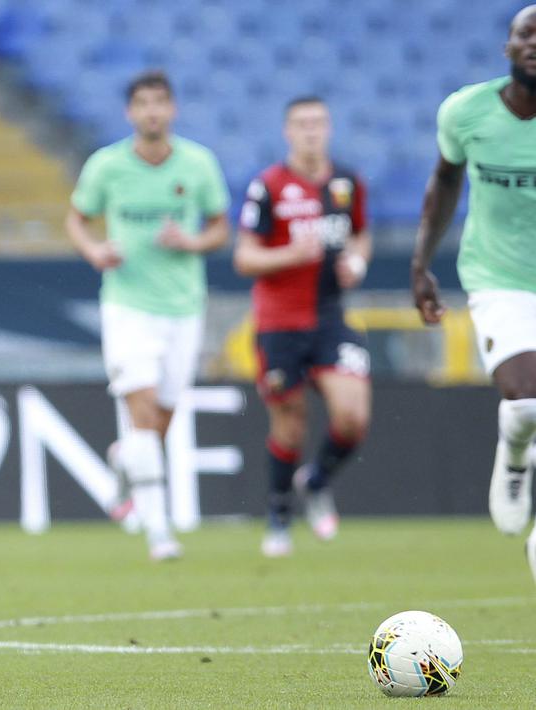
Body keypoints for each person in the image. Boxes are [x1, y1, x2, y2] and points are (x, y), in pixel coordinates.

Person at [65, 70, 230, 562]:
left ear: (172, 109)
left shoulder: (198, 163)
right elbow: (77, 218)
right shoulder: (107, 165)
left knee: (159, 421)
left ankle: (124, 461)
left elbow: (220, 227)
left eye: (160, 102)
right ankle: (159, 529)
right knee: (141, 412)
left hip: (183, 307)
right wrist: (95, 251)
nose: (152, 111)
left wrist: (192, 242)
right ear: (130, 112)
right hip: (127, 306)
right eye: (143, 103)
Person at [411, 5, 536, 579]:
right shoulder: (466, 111)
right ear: (507, 47)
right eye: (526, 33)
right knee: (526, 399)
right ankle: (514, 456)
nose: (535, 43)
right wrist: (421, 264)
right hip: (498, 276)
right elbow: (444, 180)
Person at [235, 96, 372, 558]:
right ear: (287, 131)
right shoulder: (269, 186)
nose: (311, 131)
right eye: (301, 124)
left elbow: (360, 234)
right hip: (279, 323)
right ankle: (279, 512)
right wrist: (289, 255)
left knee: (352, 417)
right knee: (290, 424)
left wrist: (357, 261)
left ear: (329, 128)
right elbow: (244, 257)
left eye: (318, 123)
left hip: (330, 318)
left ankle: (315, 480)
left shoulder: (347, 183)